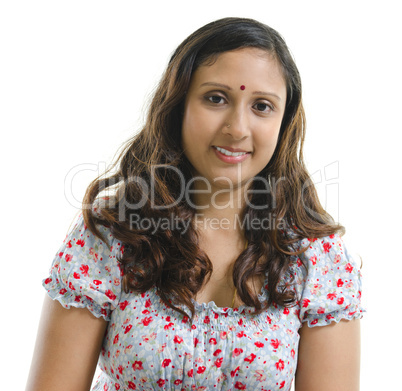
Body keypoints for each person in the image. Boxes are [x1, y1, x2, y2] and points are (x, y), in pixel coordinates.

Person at [26, 17, 364, 391]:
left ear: (284, 123)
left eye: (262, 106)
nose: (237, 128)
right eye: (216, 98)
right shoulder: (112, 235)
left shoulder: (318, 259)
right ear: (178, 106)